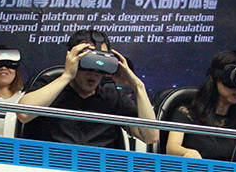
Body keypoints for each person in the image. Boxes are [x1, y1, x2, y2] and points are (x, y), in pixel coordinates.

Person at [18, 29, 158, 148]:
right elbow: (24, 114)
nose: (93, 72)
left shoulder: (114, 97)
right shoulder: (48, 84)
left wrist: (138, 87)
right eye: (87, 60)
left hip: (99, 167)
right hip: (51, 163)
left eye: (100, 63)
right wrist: (66, 76)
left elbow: (150, 136)